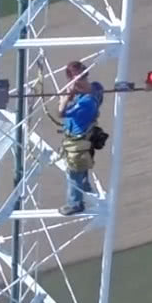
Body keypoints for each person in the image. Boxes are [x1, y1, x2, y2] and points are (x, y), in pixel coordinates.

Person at [53, 60, 104, 215]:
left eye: (79, 79)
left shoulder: (86, 102)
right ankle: (86, 188)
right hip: (84, 138)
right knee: (82, 167)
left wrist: (67, 97)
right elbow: (96, 89)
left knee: (74, 171)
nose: (77, 83)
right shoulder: (96, 89)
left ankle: (75, 203)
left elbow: (61, 112)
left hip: (78, 140)